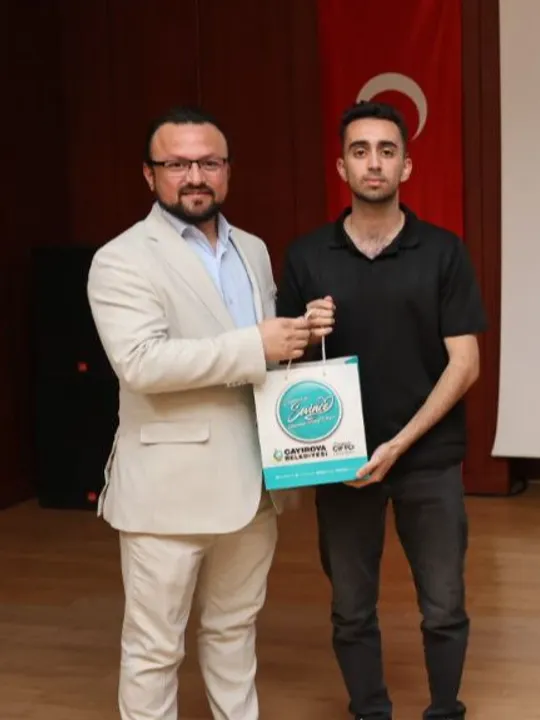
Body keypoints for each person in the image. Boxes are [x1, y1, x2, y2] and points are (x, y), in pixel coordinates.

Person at [85, 106, 311, 720]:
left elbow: (261, 353)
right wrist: (256, 345)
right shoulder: (120, 258)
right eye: (177, 164)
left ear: (227, 170)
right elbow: (140, 363)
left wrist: (299, 334)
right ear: (149, 174)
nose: (194, 177)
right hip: (167, 493)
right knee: (155, 648)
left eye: (208, 163)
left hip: (254, 485)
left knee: (235, 633)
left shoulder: (253, 250)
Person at [277, 101, 486, 720]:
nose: (374, 162)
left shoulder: (443, 252)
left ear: (406, 166)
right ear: (342, 166)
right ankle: (370, 711)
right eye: (361, 150)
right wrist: (302, 333)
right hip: (340, 460)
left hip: (428, 458)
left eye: (387, 151)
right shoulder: (307, 256)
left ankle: (445, 710)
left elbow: (466, 363)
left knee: (444, 605)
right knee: (350, 608)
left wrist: (400, 444)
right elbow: (279, 370)